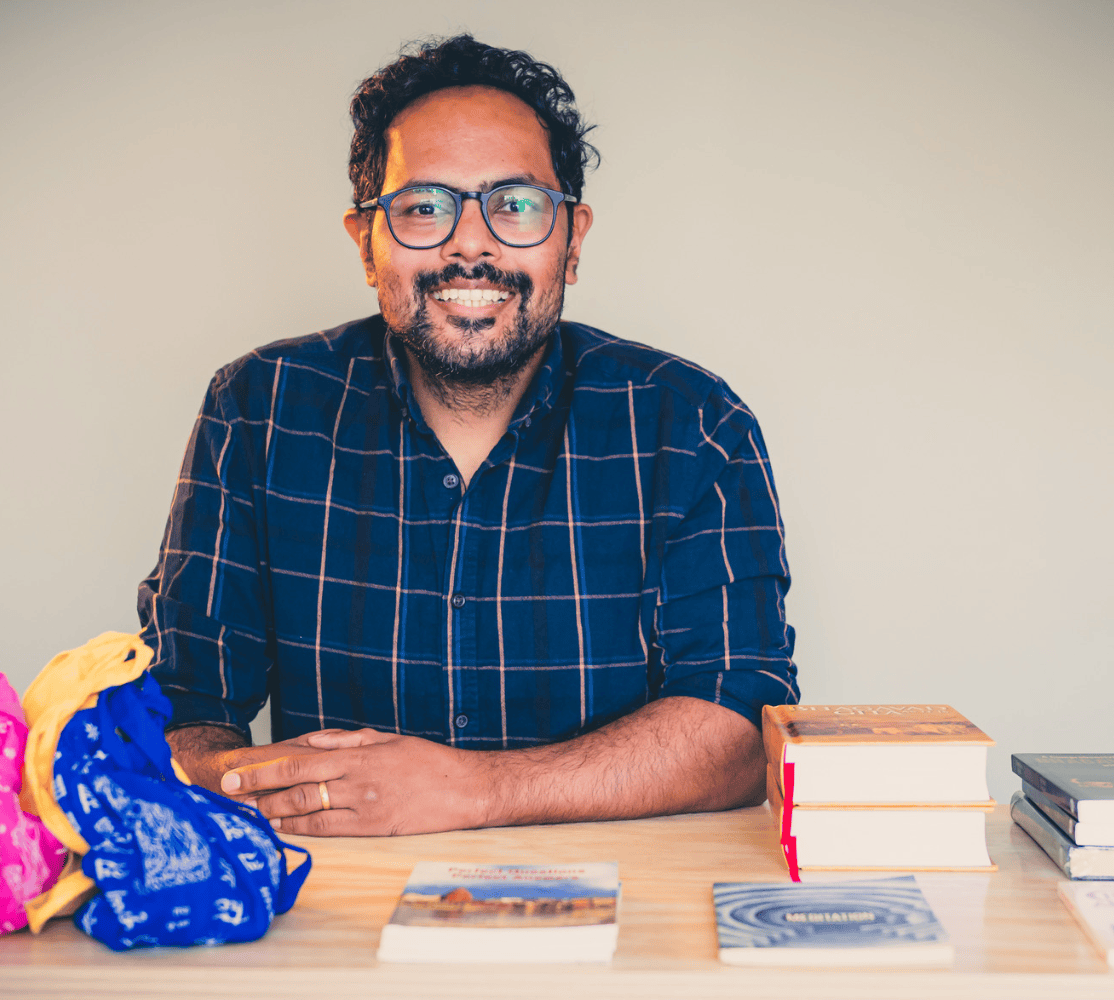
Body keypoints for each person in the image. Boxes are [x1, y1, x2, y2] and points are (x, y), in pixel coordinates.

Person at [138, 35, 799, 837]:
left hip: (627, 923)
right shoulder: (258, 408)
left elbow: (742, 727)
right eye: (425, 207)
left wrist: (474, 791)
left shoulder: (692, 424)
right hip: (337, 921)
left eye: (516, 204)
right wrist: (296, 788)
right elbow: (178, 708)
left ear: (574, 238)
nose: (472, 245)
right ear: (365, 241)